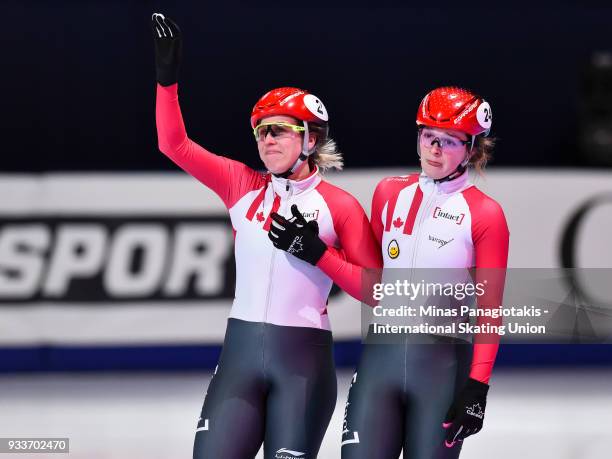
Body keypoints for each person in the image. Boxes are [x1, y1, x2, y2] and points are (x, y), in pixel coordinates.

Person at [151, 13, 382, 459]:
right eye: (260, 131)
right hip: (238, 358)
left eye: (278, 130)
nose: (266, 140)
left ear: (310, 140)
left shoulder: (340, 206)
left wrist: (318, 254)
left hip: (302, 367)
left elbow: (379, 291)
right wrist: (167, 81)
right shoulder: (241, 185)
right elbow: (172, 144)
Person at [271, 86, 509, 458]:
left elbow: (490, 309)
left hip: (442, 369)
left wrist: (478, 386)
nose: (435, 148)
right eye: (428, 136)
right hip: (379, 361)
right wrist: (320, 252)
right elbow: (373, 285)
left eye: (449, 141)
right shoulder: (388, 192)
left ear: (473, 149)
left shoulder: (486, 215)